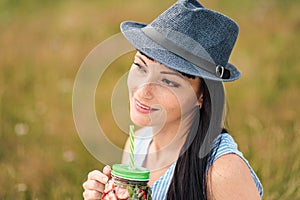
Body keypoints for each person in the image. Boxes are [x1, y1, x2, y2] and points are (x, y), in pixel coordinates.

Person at [82, 0, 263, 199]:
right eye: (141, 66)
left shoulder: (222, 171)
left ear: (201, 96)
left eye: (168, 81)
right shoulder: (138, 145)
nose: (143, 91)